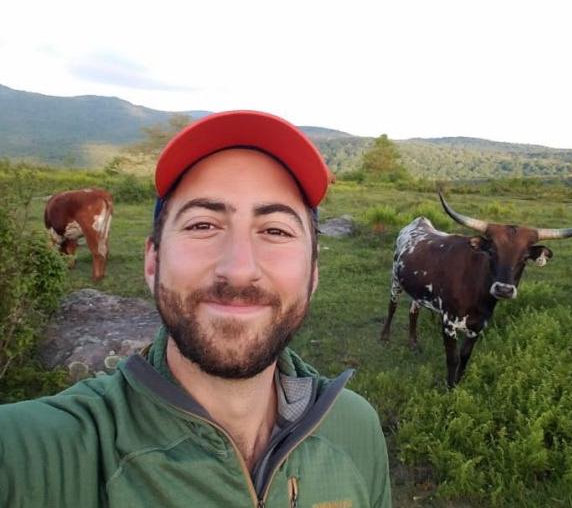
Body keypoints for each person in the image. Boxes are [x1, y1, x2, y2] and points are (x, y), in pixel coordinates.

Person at [0, 110, 392, 507]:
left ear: (313, 273)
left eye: (276, 230)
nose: (239, 270)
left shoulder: (356, 429)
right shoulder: (32, 452)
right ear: (152, 263)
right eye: (202, 225)